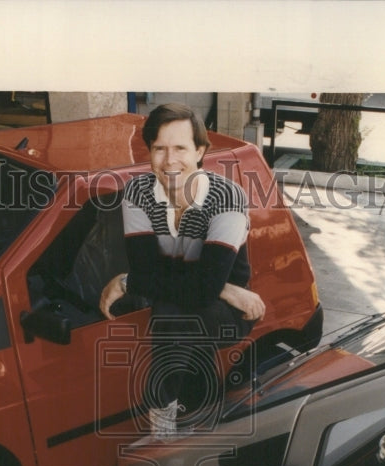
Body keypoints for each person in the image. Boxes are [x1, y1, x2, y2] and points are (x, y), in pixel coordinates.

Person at [99, 103, 266, 437]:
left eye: (180, 148)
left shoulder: (226, 198)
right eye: (159, 148)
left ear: (200, 151)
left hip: (228, 317)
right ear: (149, 152)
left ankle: (162, 429)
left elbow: (159, 281)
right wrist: (225, 286)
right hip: (222, 298)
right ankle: (186, 419)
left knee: (171, 314)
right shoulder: (137, 194)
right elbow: (149, 270)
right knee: (172, 310)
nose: (169, 160)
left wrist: (127, 281)